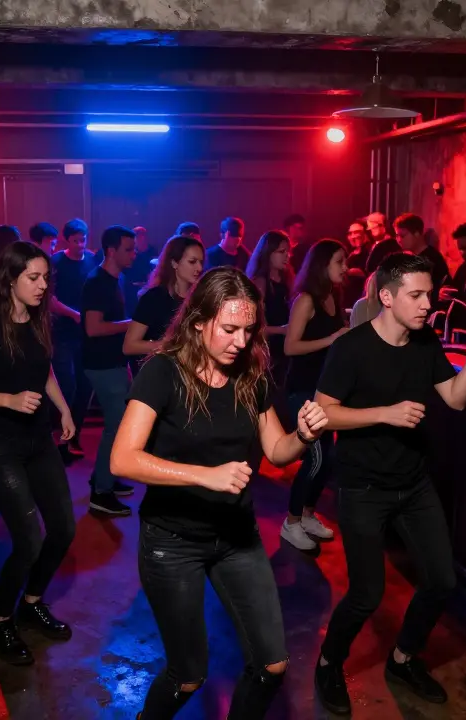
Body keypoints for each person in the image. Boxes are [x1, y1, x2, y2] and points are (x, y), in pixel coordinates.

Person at [109, 267, 329, 719]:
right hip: (172, 542)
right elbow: (122, 459)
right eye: (229, 329)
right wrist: (203, 475)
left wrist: (303, 436)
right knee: (188, 675)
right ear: (198, 323)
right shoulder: (163, 373)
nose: (240, 341)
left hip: (236, 536)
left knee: (271, 665)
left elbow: (276, 448)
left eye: (248, 331)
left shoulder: (252, 375)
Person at [314, 253, 466, 710]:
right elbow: (321, 414)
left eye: (429, 294)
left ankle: (402, 657)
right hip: (363, 487)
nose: (427, 303)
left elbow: (455, 399)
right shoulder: (351, 348)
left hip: (413, 483)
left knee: (441, 580)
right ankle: (328, 664)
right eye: (416, 295)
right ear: (387, 297)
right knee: (366, 594)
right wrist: (384, 414)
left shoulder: (425, 341)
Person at [0, 241, 79, 667]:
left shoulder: (39, 321)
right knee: (28, 541)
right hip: (0, 445)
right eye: (34, 278)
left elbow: (44, 371)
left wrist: (61, 407)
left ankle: (32, 601)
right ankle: (1, 621)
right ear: (10, 280)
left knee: (62, 529)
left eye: (46, 278)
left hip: (39, 441)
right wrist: (7, 400)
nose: (43, 286)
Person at [279, 240, 349, 552]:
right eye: (339, 262)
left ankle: (306, 514)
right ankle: (291, 522)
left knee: (328, 460)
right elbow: (290, 347)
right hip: (302, 390)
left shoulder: (333, 296)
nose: (345, 268)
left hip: (327, 391)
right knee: (317, 458)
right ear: (322, 265)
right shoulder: (305, 300)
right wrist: (332, 339)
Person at [82, 225, 139, 516]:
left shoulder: (116, 279)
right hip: (102, 365)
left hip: (114, 362)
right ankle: (100, 492)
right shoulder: (97, 282)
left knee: (119, 424)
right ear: (111, 251)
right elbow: (92, 328)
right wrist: (131, 324)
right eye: (128, 249)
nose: (134, 253)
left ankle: (104, 478)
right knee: (115, 426)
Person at [51, 218, 98, 463]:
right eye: (76, 240)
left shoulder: (91, 260)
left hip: (86, 335)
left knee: (85, 385)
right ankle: (60, 435)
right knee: (66, 385)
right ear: (66, 240)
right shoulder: (56, 261)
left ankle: (74, 435)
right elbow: (50, 298)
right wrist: (74, 314)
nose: (81, 244)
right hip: (63, 334)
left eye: (83, 240)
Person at [123, 235, 205, 364]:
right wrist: (170, 345)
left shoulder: (201, 298)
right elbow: (129, 346)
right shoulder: (154, 298)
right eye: (192, 261)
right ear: (174, 263)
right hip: (162, 374)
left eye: (201, 262)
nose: (199, 268)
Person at [246, 230, 294, 392]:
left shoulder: (287, 280)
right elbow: (252, 327)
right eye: (281, 252)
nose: (287, 256)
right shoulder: (260, 283)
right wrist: (282, 330)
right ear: (268, 253)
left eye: (288, 251)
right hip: (268, 354)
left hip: (285, 351)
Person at [122, 225, 157, 318]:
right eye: (138, 237)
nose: (141, 239)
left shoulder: (152, 252)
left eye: (143, 236)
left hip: (147, 291)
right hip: (131, 292)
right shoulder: (130, 254)